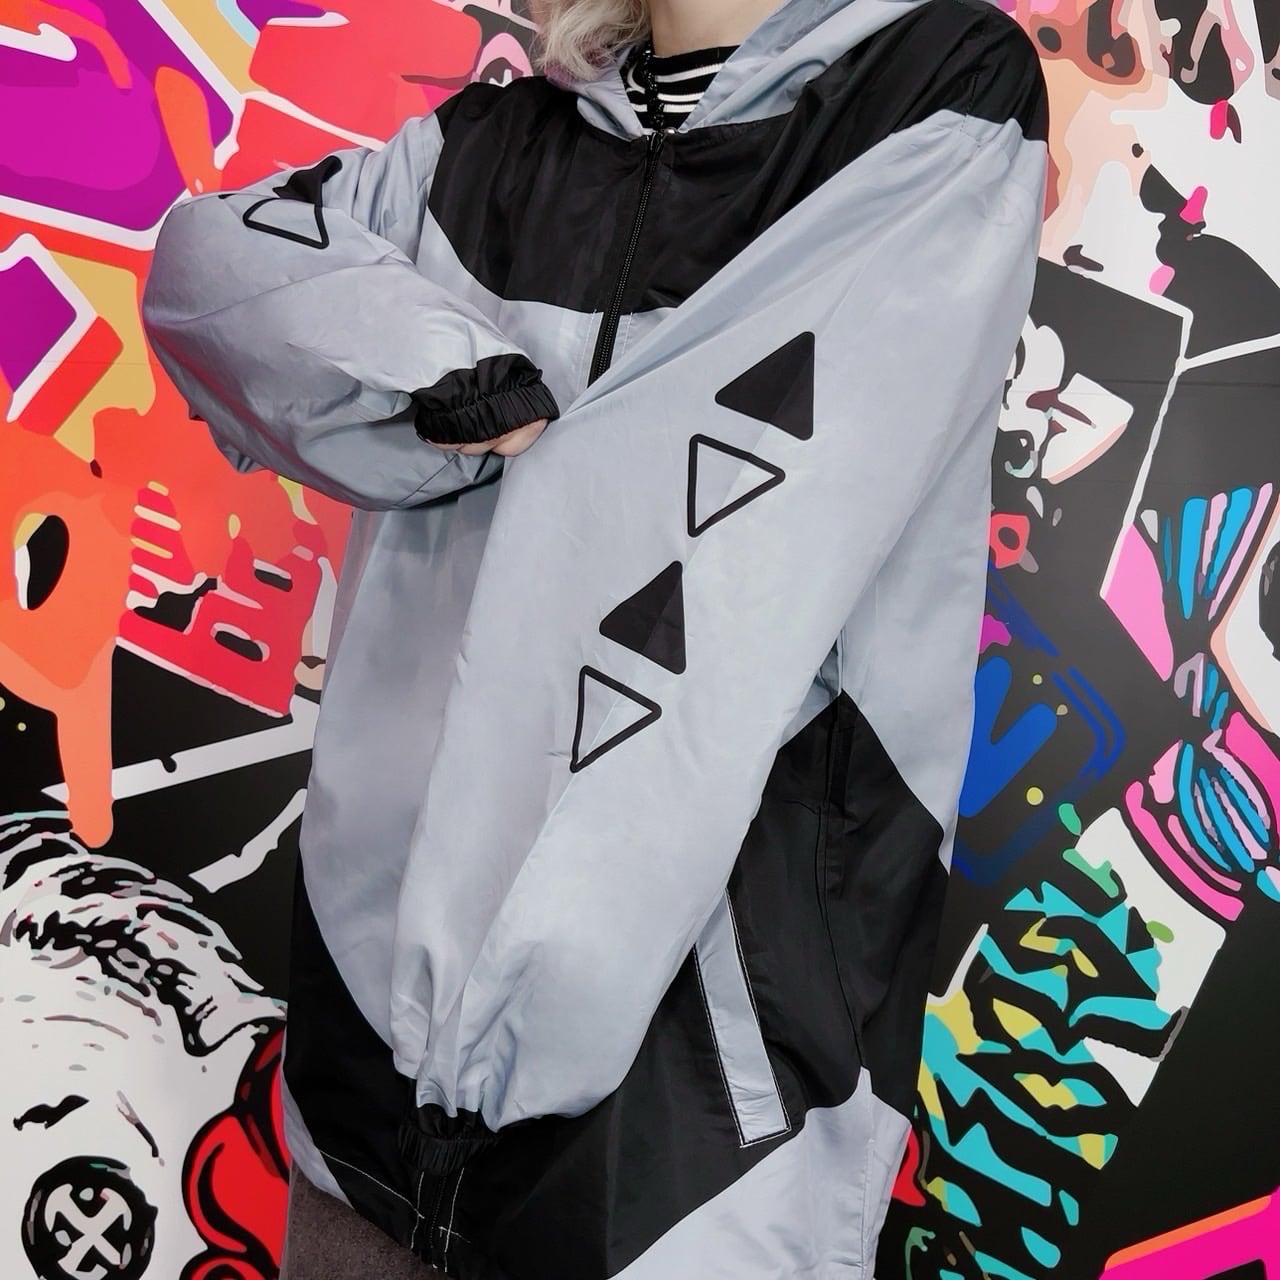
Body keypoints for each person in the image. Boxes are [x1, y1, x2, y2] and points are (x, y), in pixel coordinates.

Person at [142, 0, 1049, 1275]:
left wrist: (486, 1037)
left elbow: (690, 532)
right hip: (362, 1093)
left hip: (692, 1144)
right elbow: (215, 262)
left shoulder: (932, 94)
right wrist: (436, 370)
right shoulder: (493, 143)